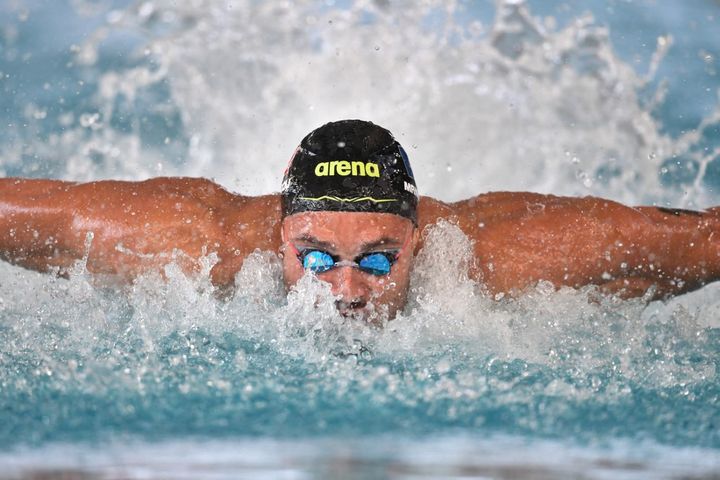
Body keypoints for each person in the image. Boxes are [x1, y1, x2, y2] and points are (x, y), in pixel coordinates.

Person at [1, 120, 719, 322]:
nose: (345, 293)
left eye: (378, 261)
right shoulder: (193, 244)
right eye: (315, 259)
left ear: (416, 239)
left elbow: (705, 241)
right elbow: (44, 218)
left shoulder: (504, 255)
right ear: (280, 236)